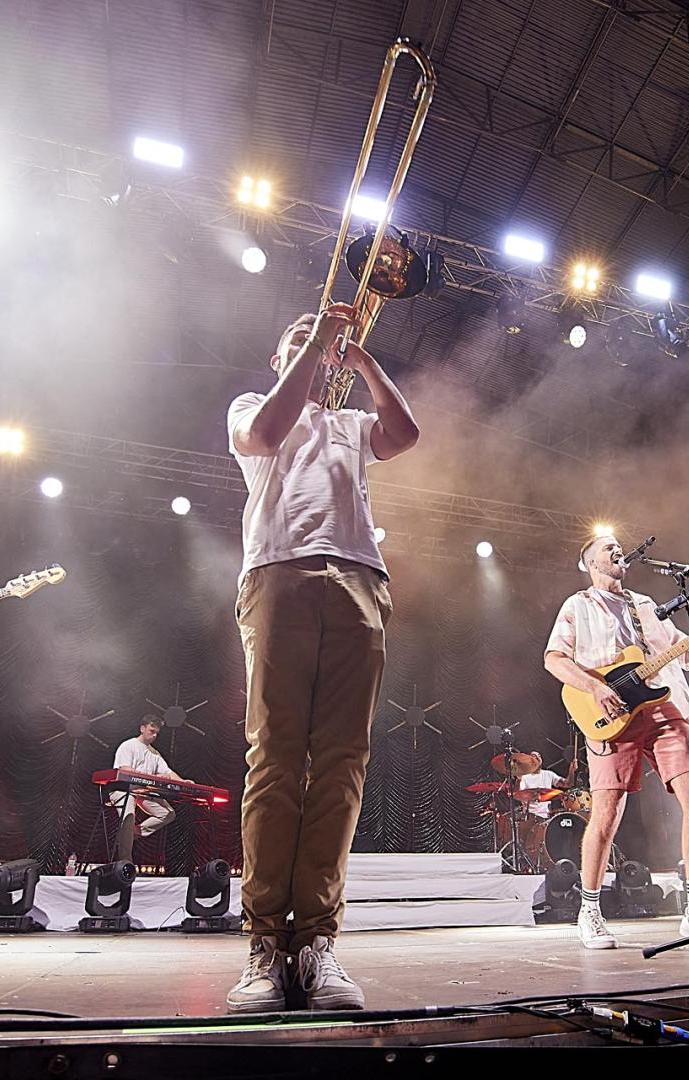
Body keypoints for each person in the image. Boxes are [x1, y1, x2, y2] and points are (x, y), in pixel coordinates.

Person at [224, 302, 419, 1012]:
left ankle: (316, 943)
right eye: (295, 340)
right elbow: (265, 433)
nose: (313, 344)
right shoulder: (251, 404)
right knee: (275, 756)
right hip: (278, 572)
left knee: (342, 760)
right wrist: (314, 345)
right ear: (279, 361)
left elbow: (406, 432)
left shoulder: (349, 424)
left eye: (320, 340)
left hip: (360, 579)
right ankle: (264, 947)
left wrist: (361, 360)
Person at [543, 533, 689, 950]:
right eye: (607, 548)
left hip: (661, 706)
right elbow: (554, 658)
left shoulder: (646, 605)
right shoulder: (578, 605)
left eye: (619, 547)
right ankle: (590, 911)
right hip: (610, 715)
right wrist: (595, 689)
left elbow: (681, 655)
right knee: (607, 814)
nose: (618, 551)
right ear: (591, 563)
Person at [109, 716, 191, 862]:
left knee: (168, 814)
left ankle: (132, 833)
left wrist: (183, 782)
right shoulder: (128, 746)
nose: (154, 735)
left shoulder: (154, 753)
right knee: (128, 818)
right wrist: (150, 776)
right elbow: (125, 770)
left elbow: (167, 772)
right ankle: (125, 862)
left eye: (156, 733)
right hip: (123, 790)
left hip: (143, 791)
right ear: (142, 729)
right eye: (151, 731)